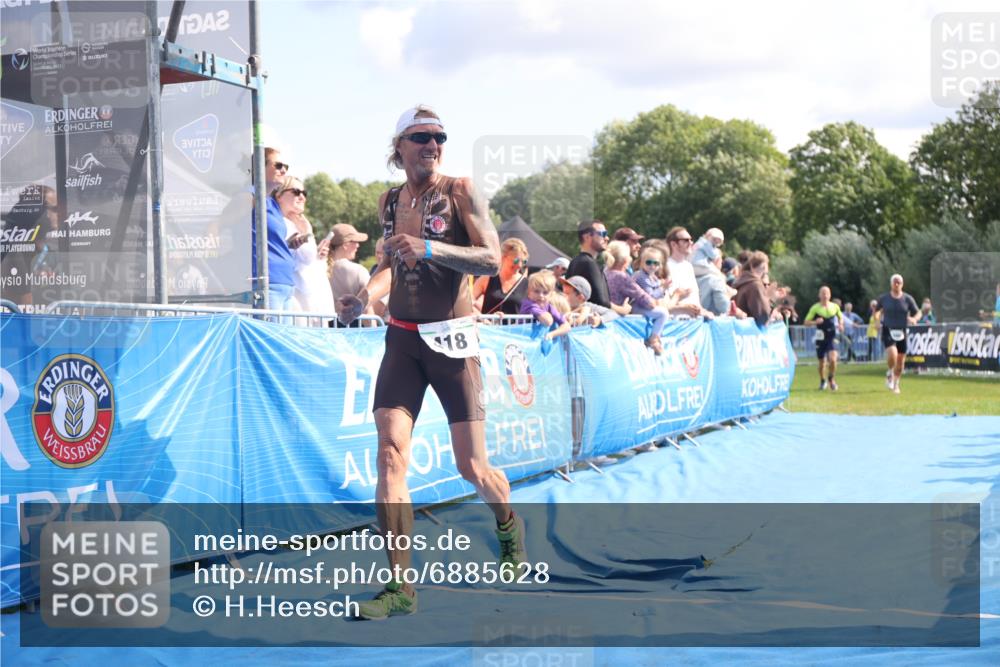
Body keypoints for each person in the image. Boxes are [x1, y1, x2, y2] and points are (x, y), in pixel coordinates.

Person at [338, 105, 522, 620]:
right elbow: (389, 265)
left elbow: (492, 258)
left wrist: (432, 248)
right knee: (389, 456)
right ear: (399, 146)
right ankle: (401, 586)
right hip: (402, 340)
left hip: (452, 342)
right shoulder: (389, 200)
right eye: (421, 137)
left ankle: (509, 526)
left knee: (473, 467)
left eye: (439, 136)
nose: (433, 144)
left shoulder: (460, 190)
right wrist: (363, 298)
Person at [272, 175, 334, 321]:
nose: (302, 197)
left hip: (308, 301)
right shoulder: (279, 223)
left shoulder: (297, 223)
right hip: (295, 299)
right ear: (279, 195)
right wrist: (307, 232)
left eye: (304, 193)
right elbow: (306, 258)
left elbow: (309, 260)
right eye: (296, 192)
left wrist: (319, 257)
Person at [252, 147, 297, 314]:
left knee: (282, 332)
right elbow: (219, 225)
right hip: (266, 283)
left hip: (285, 283)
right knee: (269, 332)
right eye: (278, 165)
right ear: (259, 166)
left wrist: (287, 244)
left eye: (286, 166)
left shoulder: (271, 203)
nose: (283, 170)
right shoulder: (249, 196)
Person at [609, 242, 668, 354]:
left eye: (656, 263)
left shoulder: (653, 278)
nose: (652, 266)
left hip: (632, 308)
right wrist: (663, 288)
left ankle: (656, 335)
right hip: (635, 307)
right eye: (649, 262)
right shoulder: (639, 276)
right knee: (663, 313)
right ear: (641, 262)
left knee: (663, 312)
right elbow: (649, 299)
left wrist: (661, 290)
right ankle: (654, 339)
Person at [873, 274, 920, 394]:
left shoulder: (907, 299)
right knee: (893, 354)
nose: (897, 284)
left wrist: (914, 319)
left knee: (900, 362)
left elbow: (918, 312)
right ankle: (890, 372)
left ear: (902, 284)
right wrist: (877, 321)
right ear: (891, 284)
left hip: (902, 331)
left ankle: (896, 384)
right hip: (888, 329)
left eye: (899, 282)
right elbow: (876, 311)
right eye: (895, 282)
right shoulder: (884, 298)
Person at [327, 223, 372, 325]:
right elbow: (367, 309)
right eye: (355, 242)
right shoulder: (358, 271)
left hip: (327, 329)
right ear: (345, 245)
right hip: (355, 330)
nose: (358, 245)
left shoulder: (320, 269)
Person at [665, 226, 713, 318]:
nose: (691, 243)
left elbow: (694, 298)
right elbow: (667, 301)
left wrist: (702, 311)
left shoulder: (688, 266)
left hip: (693, 321)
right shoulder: (665, 266)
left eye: (691, 240)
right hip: (674, 321)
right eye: (686, 240)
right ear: (673, 244)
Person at [473, 238, 529, 315]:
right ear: (503, 257)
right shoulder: (487, 278)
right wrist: (481, 317)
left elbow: (537, 306)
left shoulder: (528, 284)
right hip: (488, 323)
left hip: (516, 323)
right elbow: (469, 303)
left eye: (524, 261)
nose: (520, 265)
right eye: (516, 260)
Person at [804, 286, 844, 391]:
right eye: (823, 293)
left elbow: (841, 317)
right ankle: (822, 380)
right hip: (821, 337)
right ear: (819, 295)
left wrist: (841, 324)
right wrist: (815, 322)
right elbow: (806, 322)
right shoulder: (815, 308)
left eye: (827, 293)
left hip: (832, 336)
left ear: (830, 295)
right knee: (822, 363)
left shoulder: (835, 307)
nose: (825, 295)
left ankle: (831, 379)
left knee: (833, 359)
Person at [566, 220, 613, 309]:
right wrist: (623, 309)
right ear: (587, 237)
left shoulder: (575, 261)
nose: (607, 238)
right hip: (591, 316)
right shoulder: (588, 263)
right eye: (603, 234)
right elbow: (601, 302)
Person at [519, 270, 571, 341]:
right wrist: (550, 316)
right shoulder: (528, 304)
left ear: (551, 294)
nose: (541, 295)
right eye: (536, 291)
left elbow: (567, 326)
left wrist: (552, 334)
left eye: (545, 292)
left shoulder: (549, 306)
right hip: (522, 340)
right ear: (529, 292)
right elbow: (548, 321)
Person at [733, 251, 778, 327]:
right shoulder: (755, 285)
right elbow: (763, 317)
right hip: (751, 331)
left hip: (739, 329)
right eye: (764, 271)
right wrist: (771, 299)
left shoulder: (739, 281)